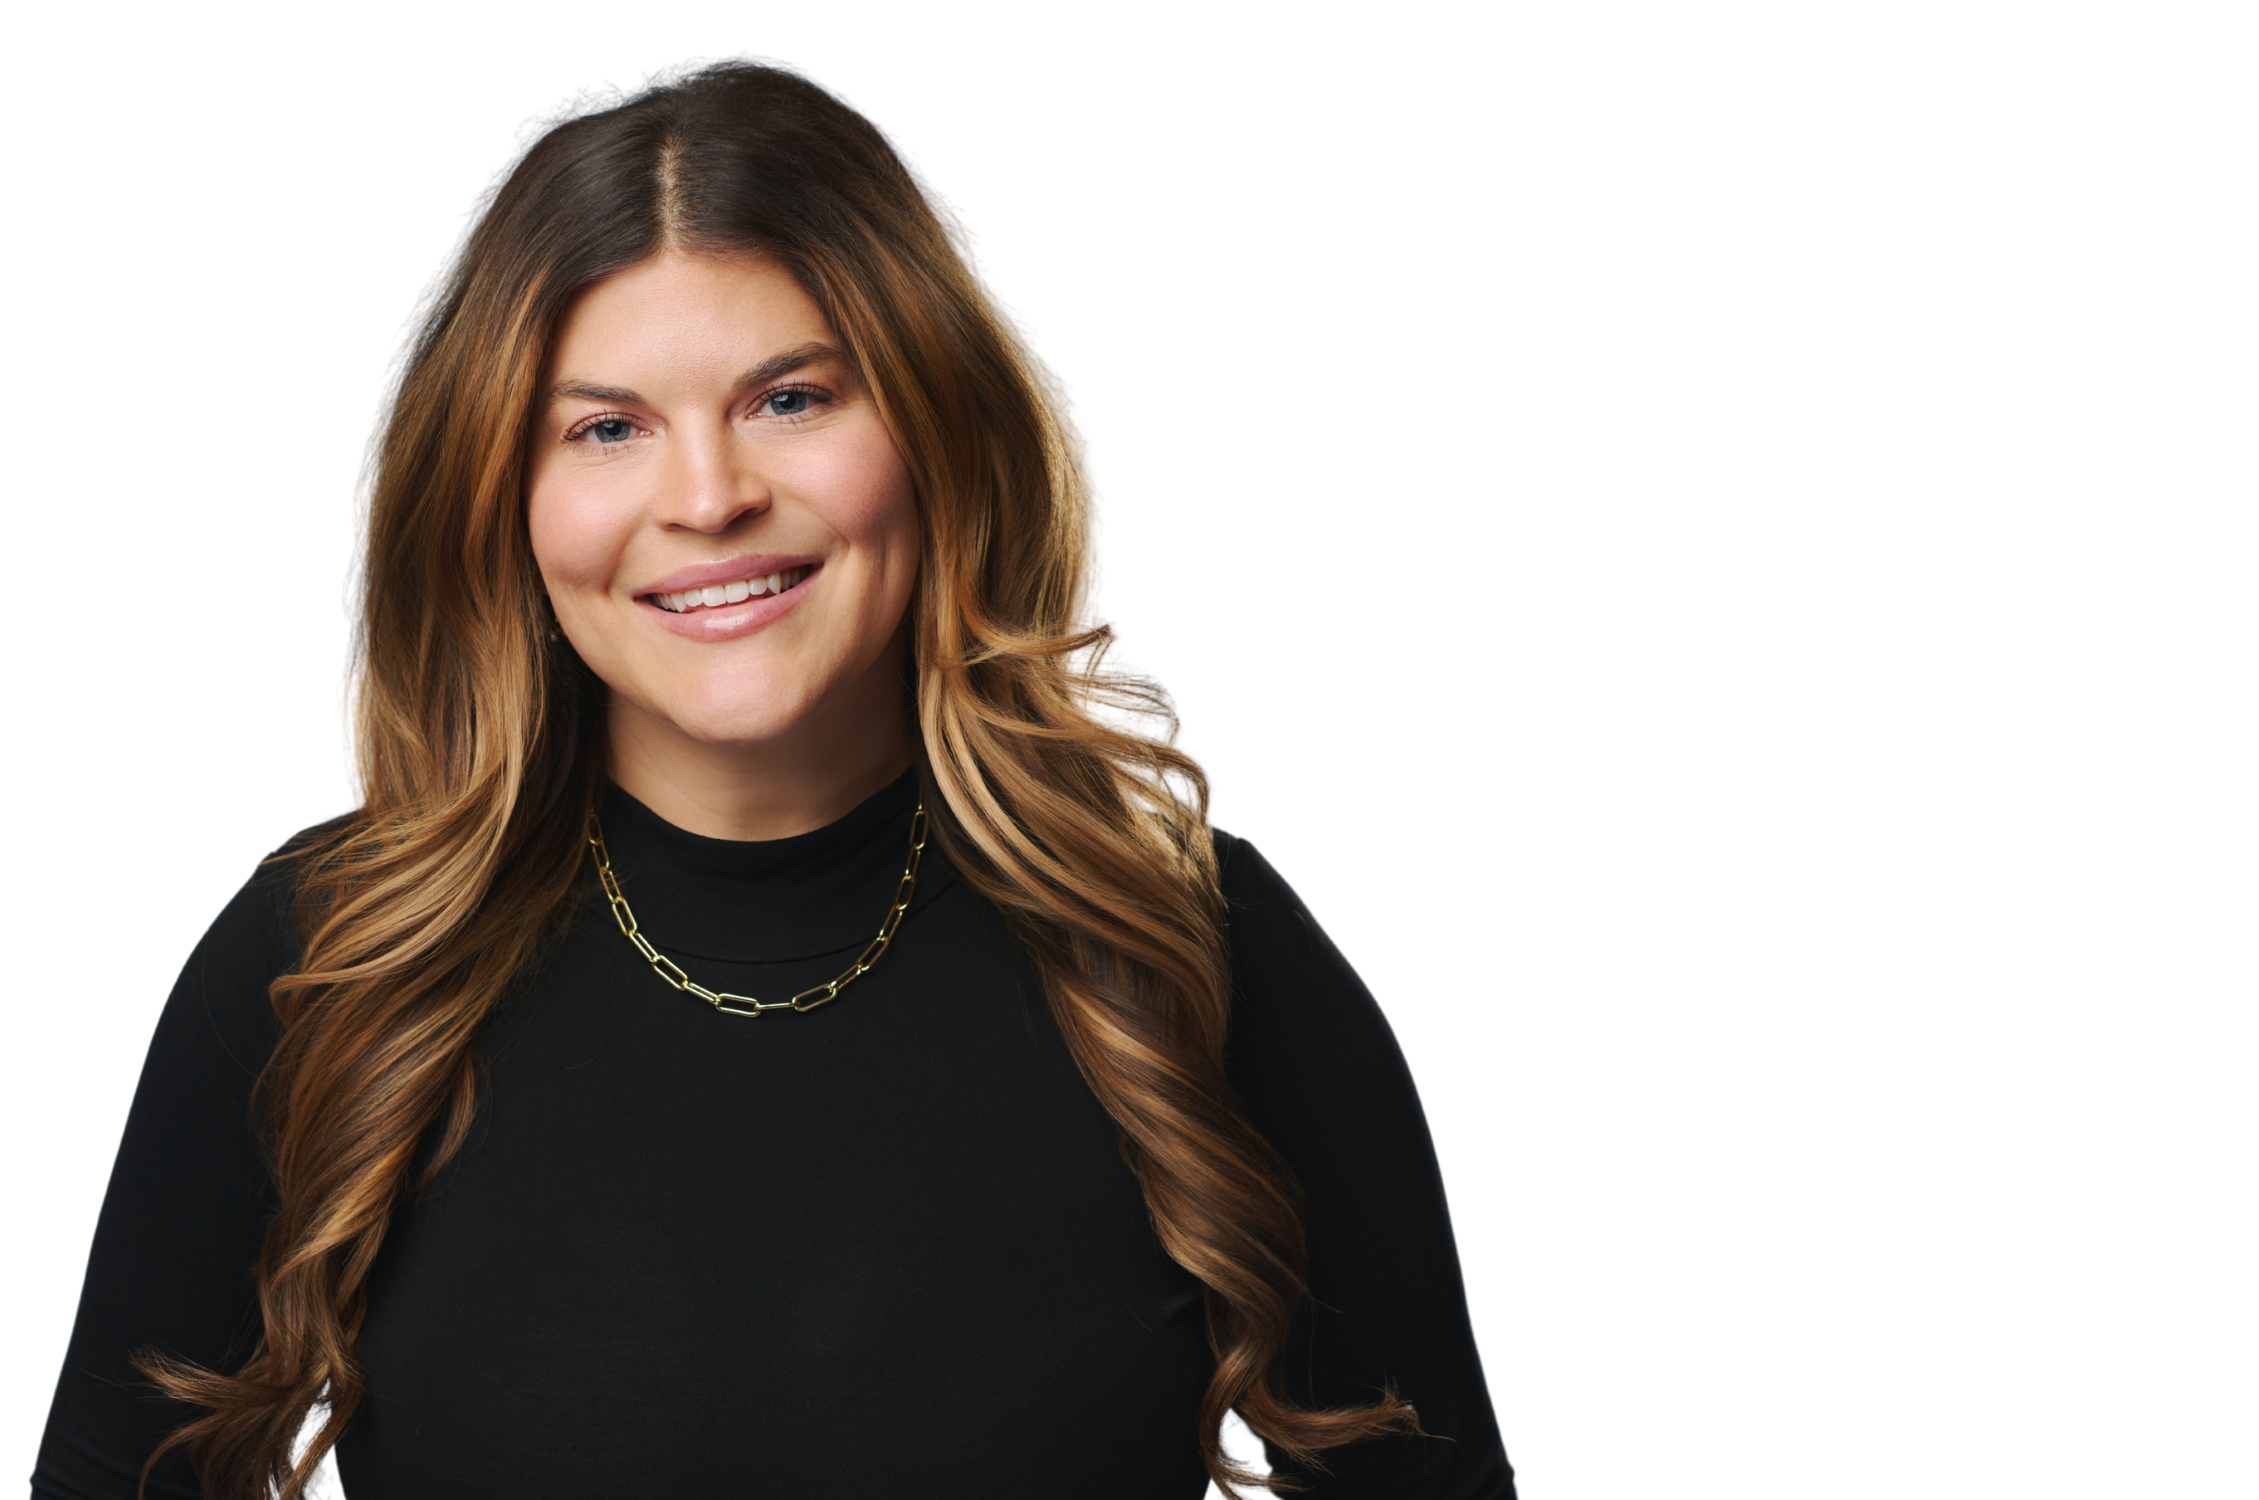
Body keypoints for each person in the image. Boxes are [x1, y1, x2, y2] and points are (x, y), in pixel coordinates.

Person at [31, 62, 1512, 1500]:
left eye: (790, 399)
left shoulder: (1194, 953)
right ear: (504, 499)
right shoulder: (328, 963)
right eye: (606, 427)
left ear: (935, 429)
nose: (707, 496)